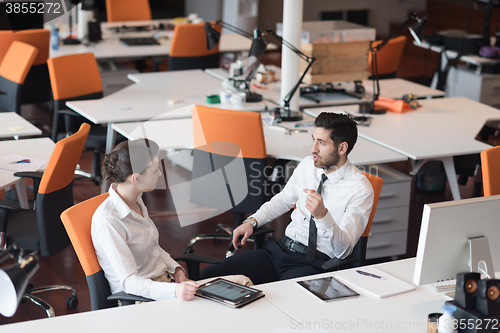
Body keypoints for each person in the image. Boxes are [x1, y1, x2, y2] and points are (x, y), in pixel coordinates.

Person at [199, 112, 374, 285]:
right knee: (208, 277)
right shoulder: (307, 165)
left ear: (342, 148)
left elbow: (344, 251)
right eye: (314, 139)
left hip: (313, 264)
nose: (314, 149)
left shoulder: (360, 189)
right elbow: (283, 200)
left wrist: (323, 216)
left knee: (279, 301)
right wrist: (252, 221)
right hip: (279, 251)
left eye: (321, 143)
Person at [91, 139, 250, 302]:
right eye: (154, 170)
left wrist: (176, 270)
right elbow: (129, 283)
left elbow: (153, 248)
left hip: (166, 284)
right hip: (142, 299)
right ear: (136, 178)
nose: (160, 173)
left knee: (243, 283)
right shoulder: (109, 221)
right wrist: (174, 291)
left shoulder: (136, 202)